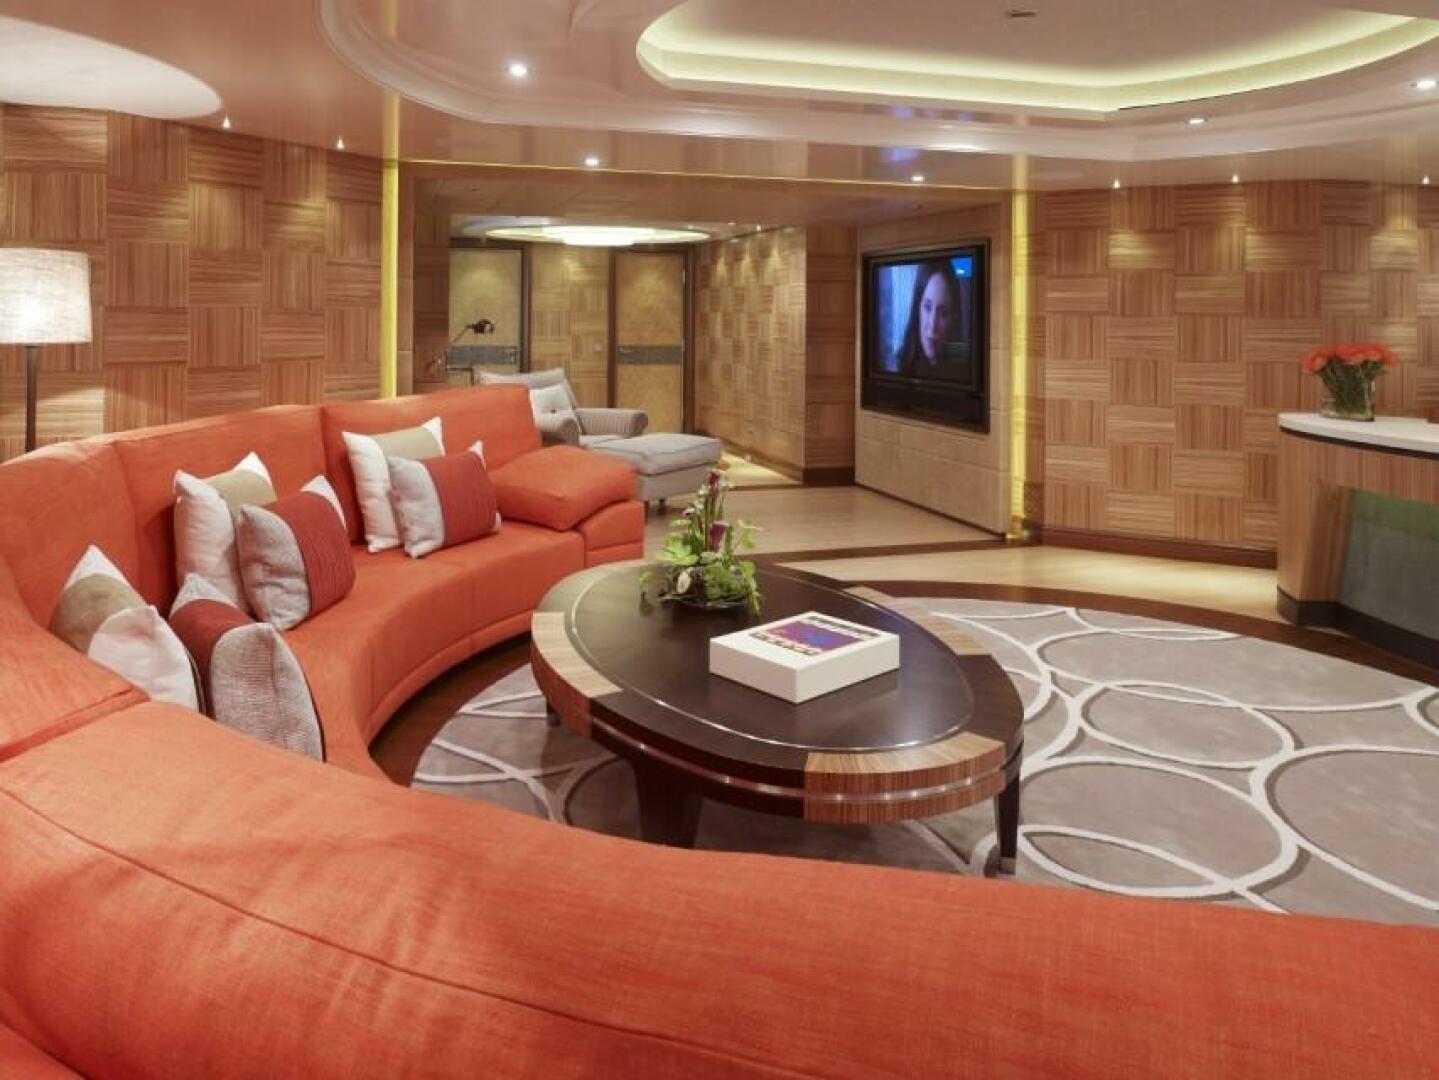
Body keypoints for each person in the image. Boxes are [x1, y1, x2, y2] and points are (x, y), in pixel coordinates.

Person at [895, 260, 968, 377]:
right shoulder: (901, 361)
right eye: (927, 307)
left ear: (953, 319)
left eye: (943, 313)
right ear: (917, 309)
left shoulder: (964, 371)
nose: (933, 325)